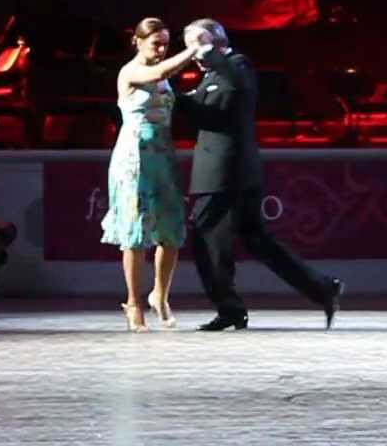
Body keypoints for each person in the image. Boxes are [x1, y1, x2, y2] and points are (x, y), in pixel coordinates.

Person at [177, 18, 343, 331]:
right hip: (228, 173)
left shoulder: (237, 66)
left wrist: (203, 58)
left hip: (228, 173)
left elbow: (222, 108)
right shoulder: (213, 73)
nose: (193, 54)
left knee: (208, 239)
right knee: (257, 240)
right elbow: (198, 110)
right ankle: (322, 288)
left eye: (197, 45)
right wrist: (168, 95)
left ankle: (229, 307)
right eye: (188, 47)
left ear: (217, 41)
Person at [99, 18, 198, 332]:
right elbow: (159, 72)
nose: (161, 49)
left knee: (170, 231)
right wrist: (192, 49)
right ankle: (133, 303)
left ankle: (160, 294)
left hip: (162, 156)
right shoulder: (131, 71)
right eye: (156, 42)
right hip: (134, 158)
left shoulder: (163, 74)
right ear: (138, 42)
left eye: (165, 43)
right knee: (134, 234)